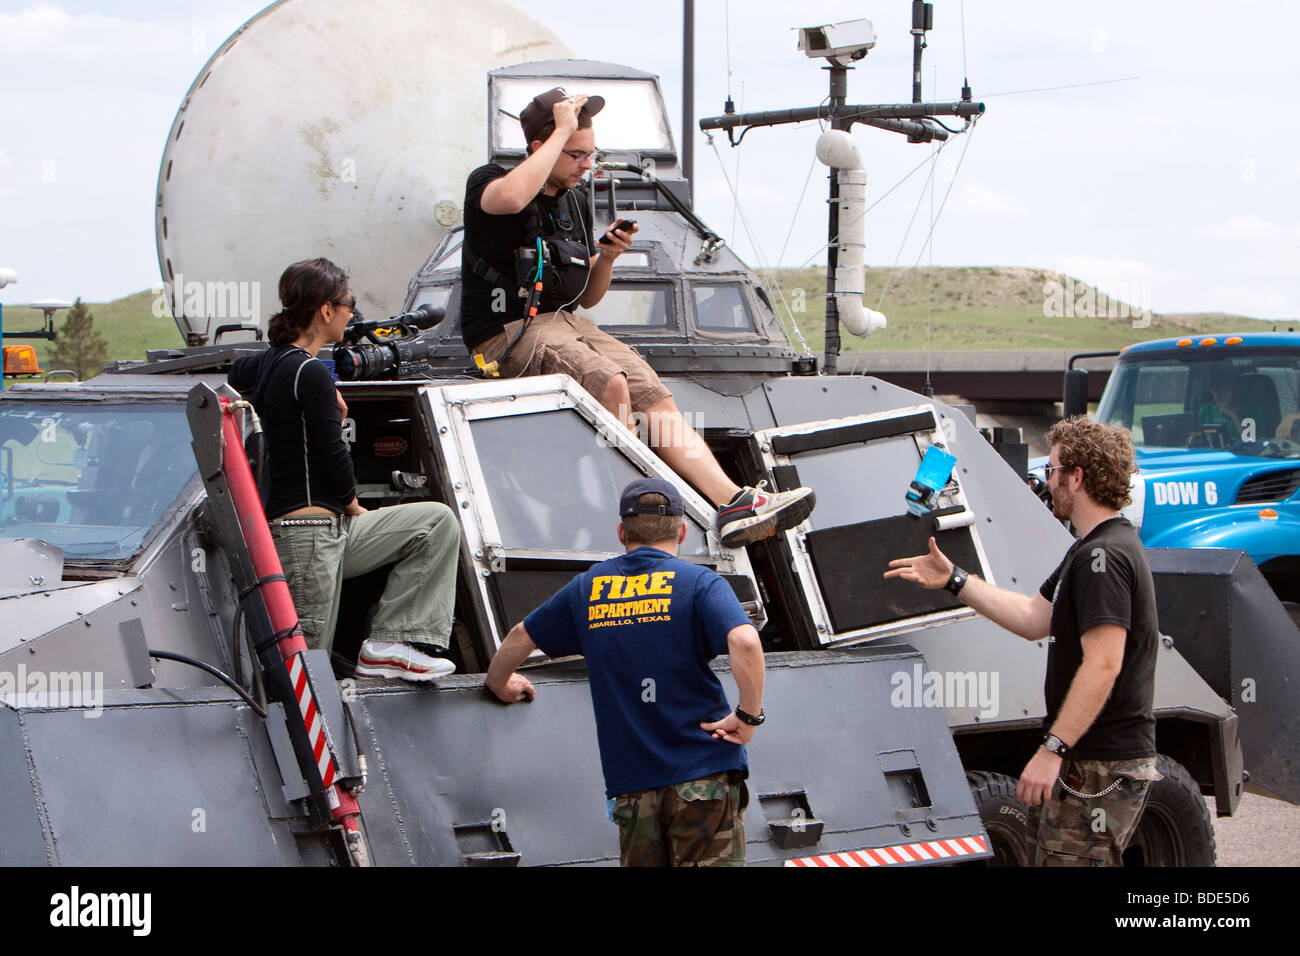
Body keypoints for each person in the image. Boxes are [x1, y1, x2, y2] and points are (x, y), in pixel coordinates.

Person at [460, 86, 814, 547]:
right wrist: (562, 127)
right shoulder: (490, 180)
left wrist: (606, 259)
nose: (588, 165)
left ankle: (733, 503)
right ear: (540, 149)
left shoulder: (572, 202)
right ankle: (636, 513)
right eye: (576, 154)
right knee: (611, 384)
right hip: (504, 334)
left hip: (563, 324)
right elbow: (506, 201)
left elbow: (585, 299)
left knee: (650, 391)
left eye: (591, 154)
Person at [883, 417, 1161, 866]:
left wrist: (1053, 749)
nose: (1045, 481)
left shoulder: (1102, 558)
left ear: (1078, 477)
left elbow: (1104, 663)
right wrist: (954, 579)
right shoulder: (1089, 550)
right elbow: (1034, 618)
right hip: (1090, 760)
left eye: (1051, 471)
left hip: (1100, 762)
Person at [485, 477, 765, 866]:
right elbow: (747, 642)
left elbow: (519, 635)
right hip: (705, 773)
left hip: (635, 788)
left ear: (621, 532)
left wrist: (499, 684)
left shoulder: (587, 588)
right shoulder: (700, 582)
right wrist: (748, 716)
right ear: (683, 530)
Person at [229, 258, 460, 681]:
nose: (353, 313)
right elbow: (332, 457)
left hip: (314, 534)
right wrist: (356, 506)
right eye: (350, 304)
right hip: (308, 536)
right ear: (325, 310)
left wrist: (316, 384)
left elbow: (239, 369)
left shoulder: (275, 365)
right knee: (305, 674)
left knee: (435, 522)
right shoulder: (307, 371)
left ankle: (390, 643)